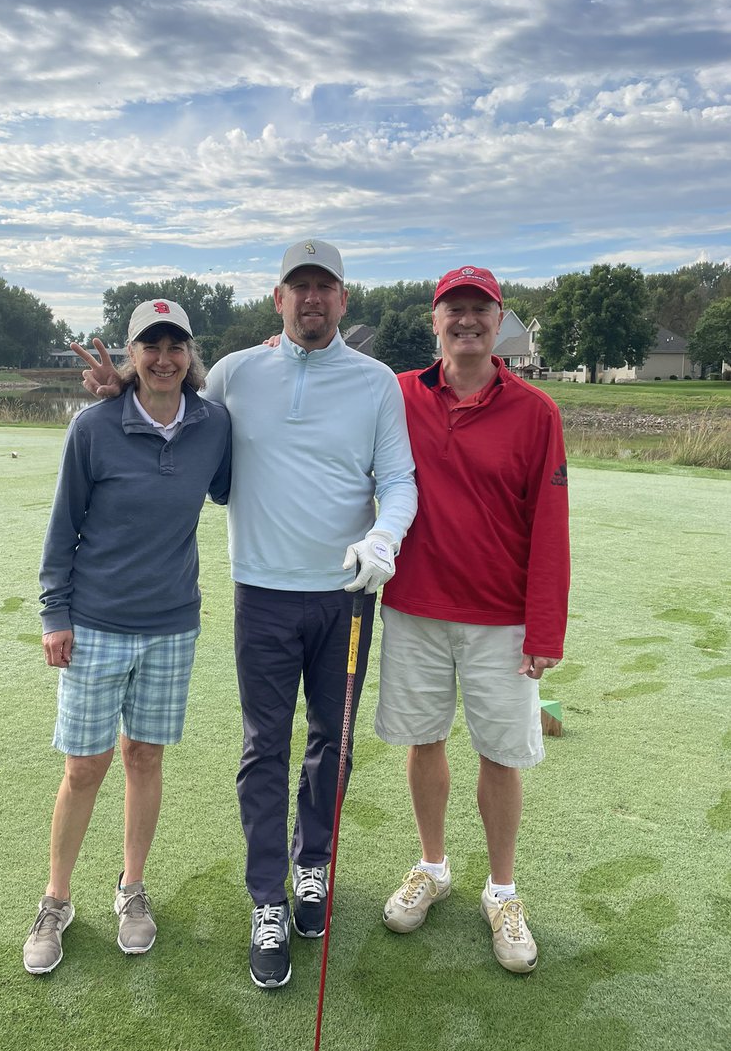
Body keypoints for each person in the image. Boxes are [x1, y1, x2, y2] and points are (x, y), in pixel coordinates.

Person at [72, 240, 417, 989]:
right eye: (300, 287)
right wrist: (114, 392)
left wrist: (386, 536)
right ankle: (268, 898)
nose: (313, 299)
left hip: (348, 592)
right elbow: (170, 412)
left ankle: (313, 866)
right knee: (266, 747)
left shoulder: (376, 383)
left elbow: (397, 478)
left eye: (325, 287)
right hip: (261, 591)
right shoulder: (234, 372)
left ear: (343, 299)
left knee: (336, 739)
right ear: (278, 299)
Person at [22, 300, 231, 975]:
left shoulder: (212, 424)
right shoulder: (93, 428)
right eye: (151, 346)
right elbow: (63, 527)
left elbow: (227, 488)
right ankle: (57, 900)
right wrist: (55, 614)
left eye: (176, 346)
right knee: (84, 766)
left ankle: (131, 888)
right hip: (96, 625)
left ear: (189, 354)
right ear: (133, 354)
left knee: (145, 758)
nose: (164, 358)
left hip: (172, 625)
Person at [376, 265, 570, 973]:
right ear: (435, 321)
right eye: (453, 309)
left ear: (499, 321)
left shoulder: (536, 412)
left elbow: (550, 525)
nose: (466, 321)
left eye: (479, 310)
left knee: (499, 753)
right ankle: (432, 866)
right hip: (415, 608)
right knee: (423, 741)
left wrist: (546, 628)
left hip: (499, 618)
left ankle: (502, 889)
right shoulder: (395, 395)